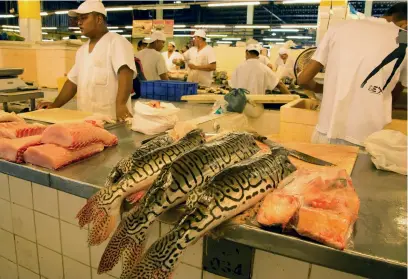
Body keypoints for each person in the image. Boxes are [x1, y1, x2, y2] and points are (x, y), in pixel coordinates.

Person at [298, 2, 407, 147]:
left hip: (324, 132)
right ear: (405, 24)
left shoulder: (340, 27)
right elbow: (396, 90)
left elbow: (303, 79)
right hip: (366, 137)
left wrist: (323, 90)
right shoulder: (404, 38)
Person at [37, 0, 136, 121]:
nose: (79, 23)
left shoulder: (117, 42)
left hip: (111, 120)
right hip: (85, 119)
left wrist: (121, 105)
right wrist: (54, 105)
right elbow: (72, 82)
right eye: (78, 19)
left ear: (99, 19)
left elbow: (125, 72)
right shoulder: (81, 51)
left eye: (83, 18)